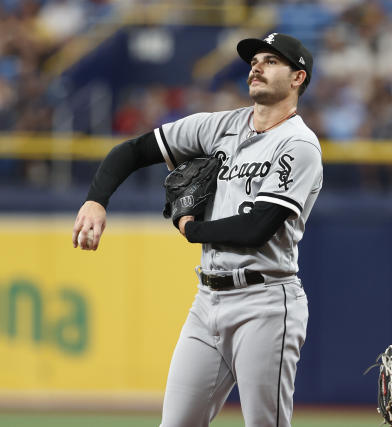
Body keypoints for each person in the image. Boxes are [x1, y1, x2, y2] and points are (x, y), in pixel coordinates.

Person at [71, 33, 322, 427]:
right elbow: (134, 151)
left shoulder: (298, 144)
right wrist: (95, 200)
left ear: (297, 78)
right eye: (254, 60)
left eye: (271, 61)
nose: (256, 66)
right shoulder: (220, 125)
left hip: (267, 302)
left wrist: (191, 228)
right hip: (207, 301)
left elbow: (258, 227)